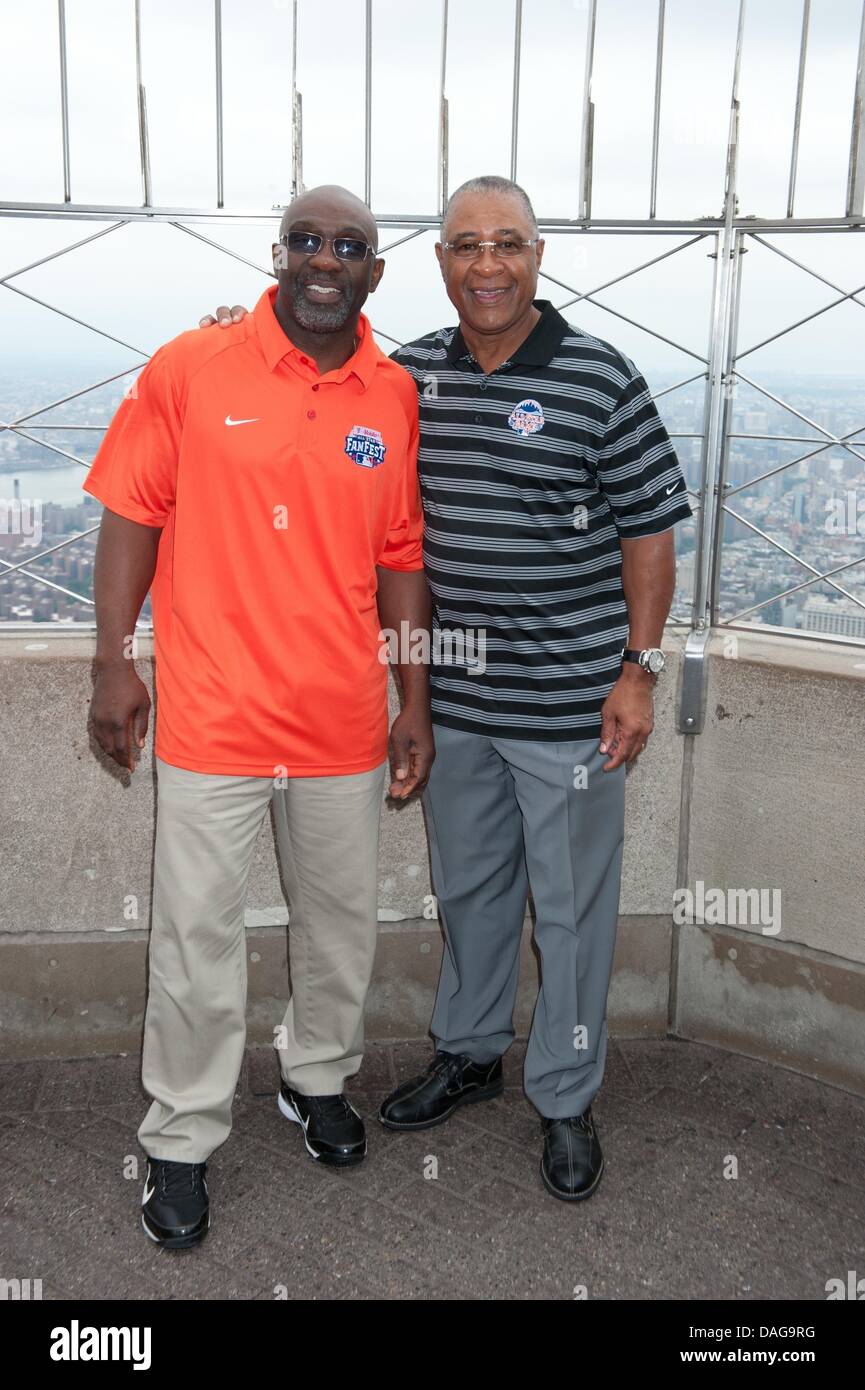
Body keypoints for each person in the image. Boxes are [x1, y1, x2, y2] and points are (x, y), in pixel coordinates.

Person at [201, 173, 692, 1203]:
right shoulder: (407, 372)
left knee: (568, 915)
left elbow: (649, 531)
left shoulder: (602, 377)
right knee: (469, 896)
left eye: (506, 243)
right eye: (465, 245)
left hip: (569, 706)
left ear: (537, 255)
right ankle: (469, 1055)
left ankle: (563, 1096)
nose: (486, 264)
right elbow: (304, 373)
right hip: (456, 703)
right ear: (436, 265)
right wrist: (224, 332)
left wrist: (638, 672)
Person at [85, 184, 434, 1249]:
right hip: (213, 713)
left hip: (337, 716)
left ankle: (316, 1078)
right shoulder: (193, 365)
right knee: (197, 940)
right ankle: (182, 1136)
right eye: (307, 241)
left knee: (340, 929)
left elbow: (401, 557)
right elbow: (133, 511)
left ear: (374, 270)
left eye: (350, 245)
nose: (326, 258)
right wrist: (113, 660)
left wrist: (412, 695)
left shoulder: (393, 392)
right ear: (277, 254)